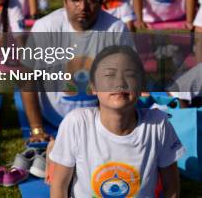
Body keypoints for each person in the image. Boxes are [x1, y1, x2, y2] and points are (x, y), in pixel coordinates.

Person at [50, 46, 183, 198]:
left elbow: (171, 187)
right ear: (93, 87)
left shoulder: (158, 124)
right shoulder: (76, 123)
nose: (119, 82)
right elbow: (59, 185)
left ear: (141, 87)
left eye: (130, 75)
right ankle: (51, 151)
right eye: (109, 75)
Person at [22, 0, 130, 139]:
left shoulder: (116, 29)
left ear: (101, 0)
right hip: (52, 120)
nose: (83, 7)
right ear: (65, 1)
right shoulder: (45, 27)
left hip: (100, 120)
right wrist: (37, 129)